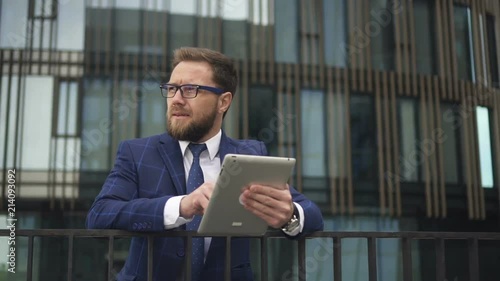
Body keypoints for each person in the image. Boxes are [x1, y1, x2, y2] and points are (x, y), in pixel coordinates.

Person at [86, 47, 324, 281]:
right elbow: (100, 216)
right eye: (171, 89)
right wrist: (181, 206)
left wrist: (289, 216)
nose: (176, 100)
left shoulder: (250, 154)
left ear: (223, 101)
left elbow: (312, 215)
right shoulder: (137, 153)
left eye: (190, 89)